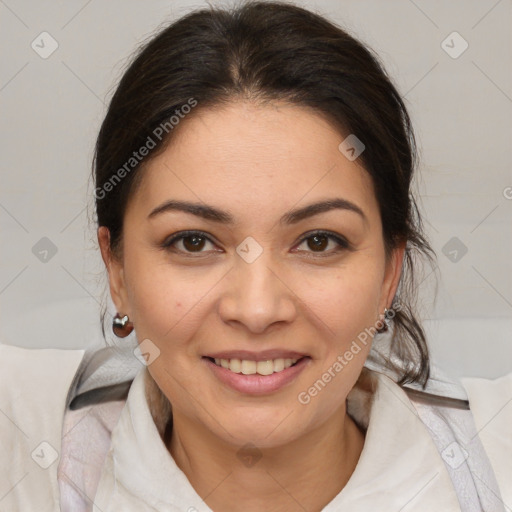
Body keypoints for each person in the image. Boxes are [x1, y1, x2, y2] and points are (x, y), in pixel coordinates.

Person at [1, 1, 510, 511]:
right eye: (194, 242)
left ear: (388, 274)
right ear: (117, 271)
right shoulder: (22, 447)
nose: (257, 309)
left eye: (318, 241)